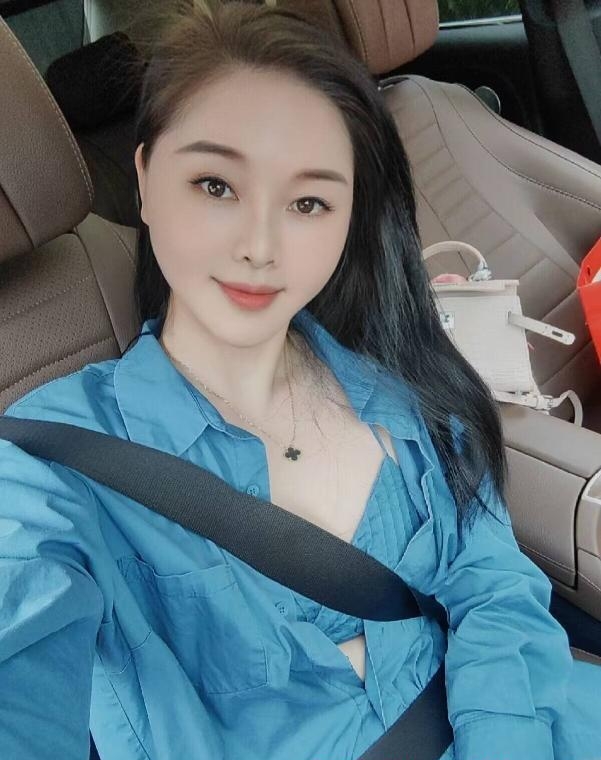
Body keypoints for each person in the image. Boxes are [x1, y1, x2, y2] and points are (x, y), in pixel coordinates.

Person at [1, 1, 600, 759]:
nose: (260, 245)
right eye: (216, 185)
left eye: (309, 202)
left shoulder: (404, 375)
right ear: (146, 180)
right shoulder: (50, 468)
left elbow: (493, 585)